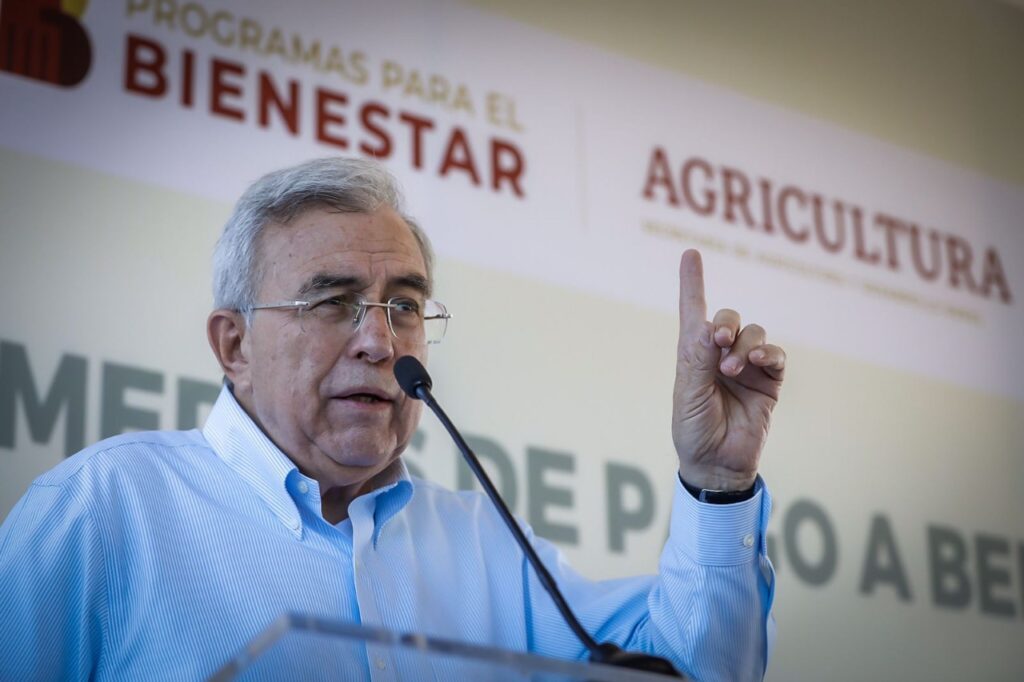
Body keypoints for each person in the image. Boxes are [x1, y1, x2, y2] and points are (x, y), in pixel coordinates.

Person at [0, 157, 785, 680]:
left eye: (403, 306)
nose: (379, 341)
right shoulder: (106, 509)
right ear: (234, 345)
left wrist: (717, 481)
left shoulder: (484, 545)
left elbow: (691, 670)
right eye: (331, 301)